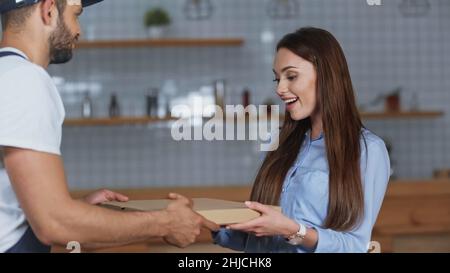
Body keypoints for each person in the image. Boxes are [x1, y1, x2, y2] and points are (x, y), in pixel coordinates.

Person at [0, 0, 218, 253]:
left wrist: (77, 211)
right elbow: (53, 224)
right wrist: (166, 223)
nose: (78, 29)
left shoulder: (7, 73)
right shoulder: (25, 79)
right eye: (75, 14)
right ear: (48, 10)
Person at [213, 27, 390, 253]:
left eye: (291, 76)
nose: (280, 88)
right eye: (277, 79)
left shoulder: (367, 150)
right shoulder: (279, 142)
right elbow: (262, 242)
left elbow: (355, 246)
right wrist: (214, 226)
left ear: (326, 74)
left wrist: (292, 230)